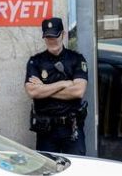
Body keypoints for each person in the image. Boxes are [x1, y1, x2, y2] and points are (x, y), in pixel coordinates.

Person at [25, 17, 88, 155]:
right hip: (46, 130)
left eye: (55, 36)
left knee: (77, 168)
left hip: (71, 128)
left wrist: (44, 88)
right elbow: (32, 92)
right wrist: (63, 84)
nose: (51, 40)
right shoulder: (35, 62)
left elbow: (78, 91)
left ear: (63, 35)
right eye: (48, 37)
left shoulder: (76, 59)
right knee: (48, 171)